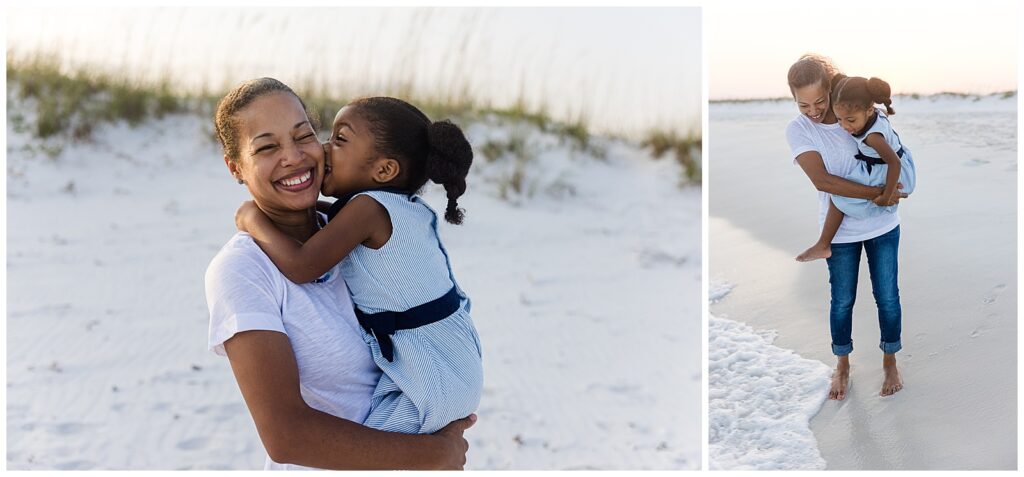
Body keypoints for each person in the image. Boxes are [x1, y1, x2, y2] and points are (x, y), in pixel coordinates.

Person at [204, 78, 474, 470]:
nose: (294, 157)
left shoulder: (361, 240)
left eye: (304, 136)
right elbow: (286, 436)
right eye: (266, 147)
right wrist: (435, 454)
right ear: (235, 168)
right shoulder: (242, 270)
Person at [784, 55, 907, 400]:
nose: (813, 110)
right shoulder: (799, 129)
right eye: (802, 103)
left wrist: (897, 189)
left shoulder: (854, 111)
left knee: (887, 297)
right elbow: (823, 181)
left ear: (831, 88)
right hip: (841, 233)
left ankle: (889, 361)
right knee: (841, 302)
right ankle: (842, 366)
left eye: (819, 101)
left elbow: (893, 152)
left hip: (883, 226)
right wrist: (879, 194)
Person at [796, 74, 917, 262]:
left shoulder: (873, 137)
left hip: (888, 170)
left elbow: (894, 163)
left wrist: (886, 196)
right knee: (841, 194)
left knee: (839, 197)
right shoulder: (874, 114)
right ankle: (825, 243)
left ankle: (823, 244)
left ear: (869, 110)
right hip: (884, 164)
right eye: (839, 120)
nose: (844, 126)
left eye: (850, 120)